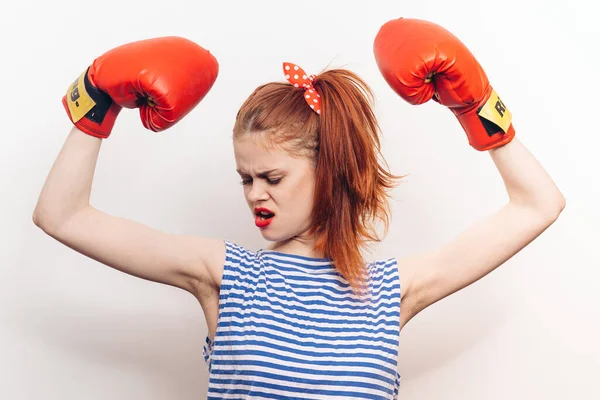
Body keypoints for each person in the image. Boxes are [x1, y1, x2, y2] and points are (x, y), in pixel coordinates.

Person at [33, 17, 565, 400]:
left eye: (272, 177)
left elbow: (538, 205)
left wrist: (477, 109)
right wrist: (93, 101)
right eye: (245, 178)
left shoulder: (389, 291)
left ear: (329, 171)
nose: (253, 194)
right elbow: (63, 215)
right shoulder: (225, 275)